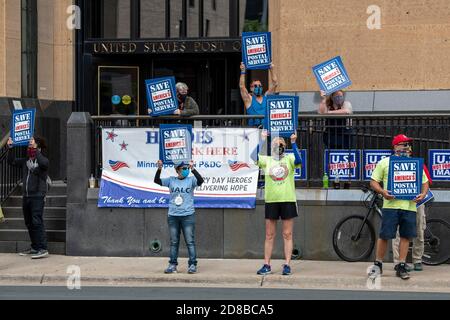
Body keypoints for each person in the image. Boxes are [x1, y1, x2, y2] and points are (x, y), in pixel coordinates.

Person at [370, 134, 429, 280]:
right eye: (403, 144)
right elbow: (373, 182)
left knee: (406, 236)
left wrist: (423, 194)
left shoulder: (414, 164)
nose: (407, 147)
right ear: (395, 146)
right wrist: (383, 191)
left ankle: (401, 265)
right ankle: (378, 264)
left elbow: (425, 182)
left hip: (409, 206)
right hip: (390, 206)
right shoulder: (384, 162)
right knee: (385, 235)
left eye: (408, 144)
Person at [251, 131, 302, 276]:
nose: (278, 146)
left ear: (284, 146)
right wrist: (262, 140)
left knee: (287, 234)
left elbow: (299, 160)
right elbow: (253, 157)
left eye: (280, 144)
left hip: (287, 199)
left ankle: (287, 264)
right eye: (275, 144)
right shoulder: (267, 160)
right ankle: (267, 264)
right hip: (272, 200)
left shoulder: (290, 158)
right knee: (269, 234)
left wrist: (293, 142)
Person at [154, 160, 204, 274]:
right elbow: (157, 181)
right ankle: (172, 265)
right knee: (174, 242)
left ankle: (192, 265)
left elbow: (201, 181)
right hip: (173, 215)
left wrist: (193, 169)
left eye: (187, 168)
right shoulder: (171, 180)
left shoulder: (191, 180)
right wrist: (159, 168)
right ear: (177, 170)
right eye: (183, 168)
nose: (186, 170)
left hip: (188, 215)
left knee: (190, 241)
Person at [7, 136, 50, 259]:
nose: (29, 148)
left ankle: (43, 248)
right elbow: (11, 161)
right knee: (29, 222)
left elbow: (43, 163)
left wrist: (36, 150)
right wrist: (10, 148)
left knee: (37, 221)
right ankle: (35, 247)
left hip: (38, 195)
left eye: (32, 146)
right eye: (29, 146)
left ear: (38, 148)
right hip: (26, 196)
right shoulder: (26, 162)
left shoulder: (43, 160)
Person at [392, 147, 433, 272]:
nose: (405, 153)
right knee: (398, 232)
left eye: (407, 151)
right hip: (399, 202)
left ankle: (417, 260)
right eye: (401, 151)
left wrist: (422, 193)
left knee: (419, 230)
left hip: (417, 202)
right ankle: (398, 261)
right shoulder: (392, 164)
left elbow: (427, 182)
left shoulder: (417, 164)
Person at [239, 62, 279, 127]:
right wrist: (243, 72)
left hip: (266, 130)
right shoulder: (249, 99)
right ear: (251, 88)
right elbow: (241, 86)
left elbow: (275, 84)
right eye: (255, 86)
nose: (258, 87)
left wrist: (271, 69)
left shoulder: (266, 97)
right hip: (253, 130)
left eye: (260, 86)